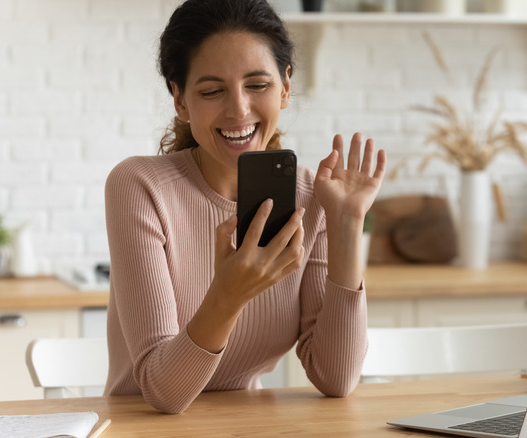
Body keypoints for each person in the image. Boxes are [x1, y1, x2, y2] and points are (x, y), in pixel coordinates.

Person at [103, 0, 386, 414]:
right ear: (180, 100)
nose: (238, 109)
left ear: (285, 86)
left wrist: (346, 225)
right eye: (212, 91)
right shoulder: (140, 186)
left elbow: (336, 378)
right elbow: (163, 392)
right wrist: (229, 294)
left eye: (257, 85)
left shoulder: (314, 196)